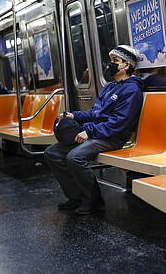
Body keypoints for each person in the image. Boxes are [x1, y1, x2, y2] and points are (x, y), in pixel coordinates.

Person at [44, 45, 144, 215]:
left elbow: (119, 123)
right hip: (98, 132)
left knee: (75, 157)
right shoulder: (110, 87)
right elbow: (95, 113)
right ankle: (75, 196)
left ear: (126, 65)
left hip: (113, 136)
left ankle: (93, 200)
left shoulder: (132, 90)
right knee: (52, 153)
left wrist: (89, 132)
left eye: (115, 61)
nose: (110, 64)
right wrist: (74, 116)